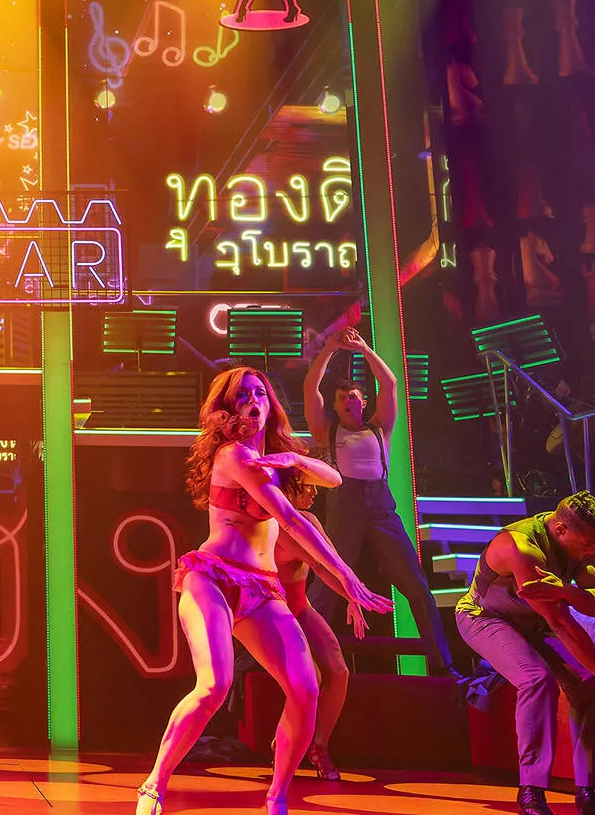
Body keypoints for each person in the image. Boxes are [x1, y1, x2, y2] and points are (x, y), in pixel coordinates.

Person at [136, 367, 391, 815]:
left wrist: (294, 459)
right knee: (214, 685)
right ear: (229, 409)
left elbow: (333, 479)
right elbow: (289, 519)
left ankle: (277, 799)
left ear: (270, 405)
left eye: (260, 394)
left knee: (306, 689)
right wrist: (350, 578)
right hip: (212, 578)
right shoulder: (234, 455)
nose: (253, 401)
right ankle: (154, 784)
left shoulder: (274, 461)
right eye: (242, 396)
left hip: (262, 589)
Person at [456, 491, 595, 815]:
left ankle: (588, 791)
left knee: (586, 682)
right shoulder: (521, 547)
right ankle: (531, 791)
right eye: (588, 545)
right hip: (484, 618)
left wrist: (564, 589)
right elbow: (561, 623)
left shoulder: (582, 543)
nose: (593, 552)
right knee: (536, 678)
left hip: (533, 623)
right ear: (560, 529)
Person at [302, 328, 457, 675]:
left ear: (363, 402)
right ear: (335, 405)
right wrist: (329, 349)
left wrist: (364, 348)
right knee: (326, 586)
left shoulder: (379, 428)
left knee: (416, 585)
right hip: (344, 509)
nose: (348, 402)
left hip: (381, 507)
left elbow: (389, 383)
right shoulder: (326, 432)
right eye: (342, 398)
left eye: (353, 397)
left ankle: (442, 665)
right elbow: (311, 388)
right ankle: (305, 663)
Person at [271, 474, 363, 782]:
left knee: (338, 672)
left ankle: (318, 746)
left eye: (314, 487)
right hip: (271, 614)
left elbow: (332, 562)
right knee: (310, 678)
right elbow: (320, 565)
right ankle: (285, 741)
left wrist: (352, 597)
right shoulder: (275, 525)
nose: (313, 493)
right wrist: (351, 595)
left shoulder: (309, 520)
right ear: (288, 490)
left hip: (300, 607)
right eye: (307, 486)